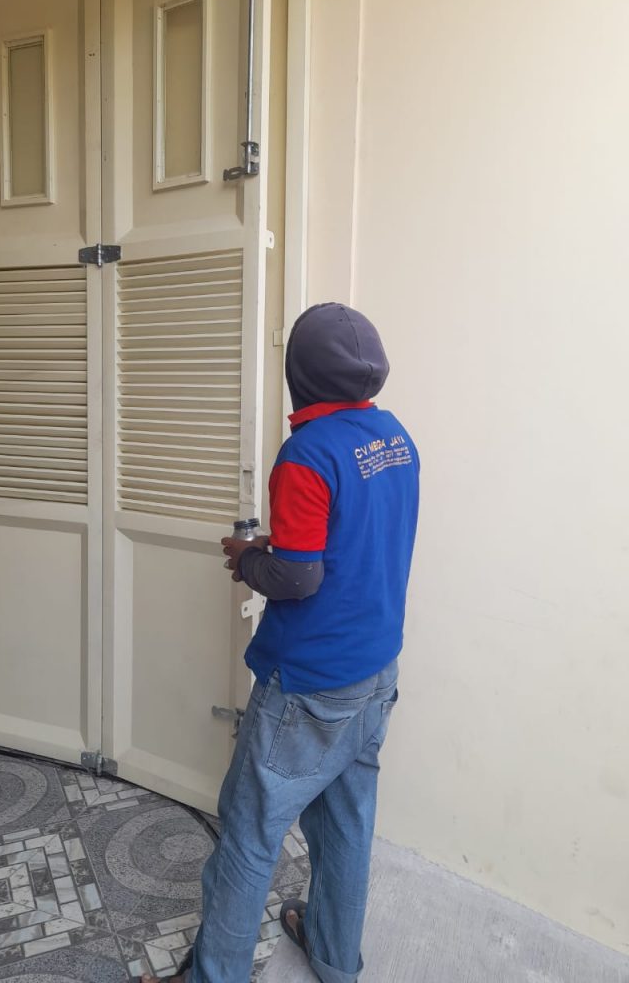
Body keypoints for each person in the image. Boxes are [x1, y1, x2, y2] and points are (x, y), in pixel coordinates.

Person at [136, 303, 420, 983]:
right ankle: (333, 957)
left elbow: (297, 577)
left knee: (248, 835)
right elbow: (349, 537)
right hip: (375, 672)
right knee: (346, 824)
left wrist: (248, 560)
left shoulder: (307, 453)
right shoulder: (395, 437)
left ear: (300, 372)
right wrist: (281, 546)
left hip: (309, 686)